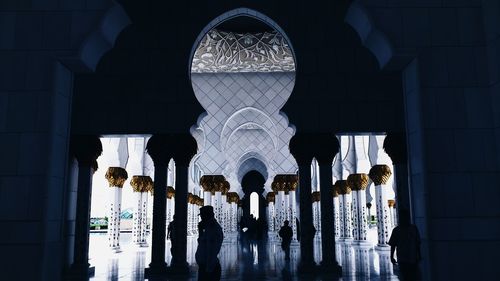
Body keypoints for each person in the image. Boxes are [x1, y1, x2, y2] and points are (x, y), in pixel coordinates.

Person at [389, 209, 421, 281]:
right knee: (407, 276)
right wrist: (391, 257)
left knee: (410, 276)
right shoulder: (399, 230)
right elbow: (393, 245)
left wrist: (418, 254)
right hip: (405, 258)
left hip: (410, 257)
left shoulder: (412, 229)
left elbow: (417, 243)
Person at [196, 206, 224, 281]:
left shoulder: (213, 229)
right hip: (205, 267)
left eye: (202, 215)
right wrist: (200, 232)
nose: (201, 218)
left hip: (209, 268)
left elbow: (211, 250)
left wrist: (208, 270)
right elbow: (202, 244)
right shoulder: (208, 228)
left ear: (207, 216)